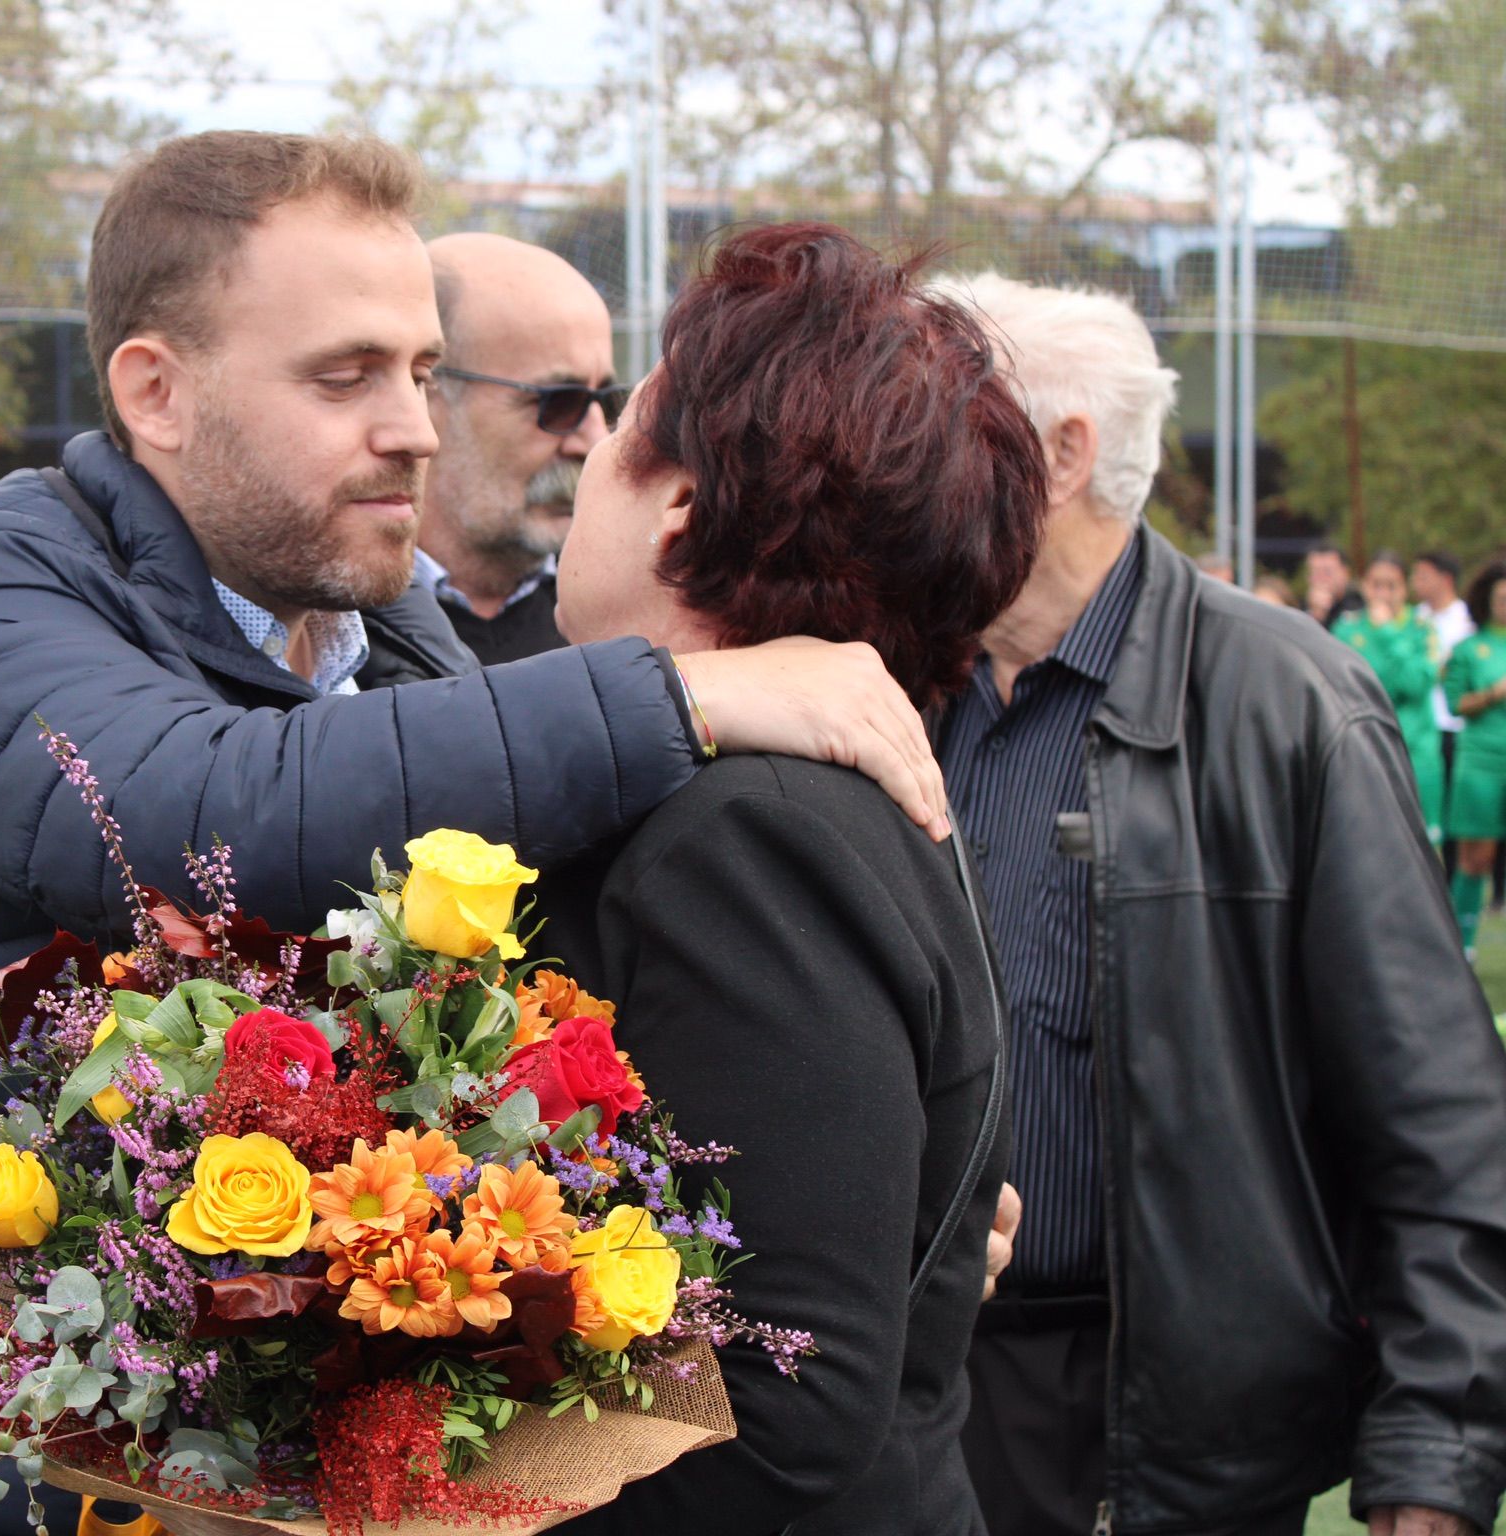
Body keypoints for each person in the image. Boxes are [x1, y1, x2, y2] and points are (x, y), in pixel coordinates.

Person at [0, 130, 947, 1536]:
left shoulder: (390, 627)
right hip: (62, 1479)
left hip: (340, 1469)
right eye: (344, 375)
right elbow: (201, 816)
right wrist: (682, 690)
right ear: (157, 392)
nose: (415, 426)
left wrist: (863, 1203)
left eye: (422, 372)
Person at [937, 271, 1506, 1536]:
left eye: (936, 420)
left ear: (1062, 452)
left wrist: (1436, 1455)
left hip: (1173, 1436)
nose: (893, 458)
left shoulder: (1292, 703)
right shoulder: (880, 688)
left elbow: (1439, 1121)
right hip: (917, 1411)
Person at [536, 222, 1039, 1533]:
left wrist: (409, 1484)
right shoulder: (786, 796)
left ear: (681, 511)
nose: (580, 467)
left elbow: (782, 1399)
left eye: (618, 432)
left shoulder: (746, 833)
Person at [413, 232, 620, 664]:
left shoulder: (627, 617)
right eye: (559, 403)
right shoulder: (325, 631)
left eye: (606, 400)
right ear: (426, 390)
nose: (595, 440)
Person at [1336, 552, 1446, 845]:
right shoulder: (1347, 629)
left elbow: (1417, 685)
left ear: (1405, 588)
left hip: (1416, 751)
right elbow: (1348, 687)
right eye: (1376, 585)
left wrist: (1387, 633)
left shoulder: (1423, 629)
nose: (1383, 594)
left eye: (1391, 585)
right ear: (1364, 586)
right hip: (1363, 749)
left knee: (1422, 843)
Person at [1442, 564, 1506, 960]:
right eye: (1502, 598)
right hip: (1482, 762)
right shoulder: (1469, 649)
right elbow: (1455, 704)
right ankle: (1457, 946)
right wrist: (1494, 693)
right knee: (1475, 857)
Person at [1416, 550, 1475, 870]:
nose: (1417, 583)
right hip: (1423, 729)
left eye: (1424, 576)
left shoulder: (1467, 622)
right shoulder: (1415, 618)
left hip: (1455, 725)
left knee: (1456, 810)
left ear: (1446, 579)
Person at [1305, 538, 1364, 629]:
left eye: (1327, 572)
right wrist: (1316, 615)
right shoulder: (1302, 610)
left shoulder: (1359, 606)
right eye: (1316, 572)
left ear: (1345, 573)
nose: (1321, 579)